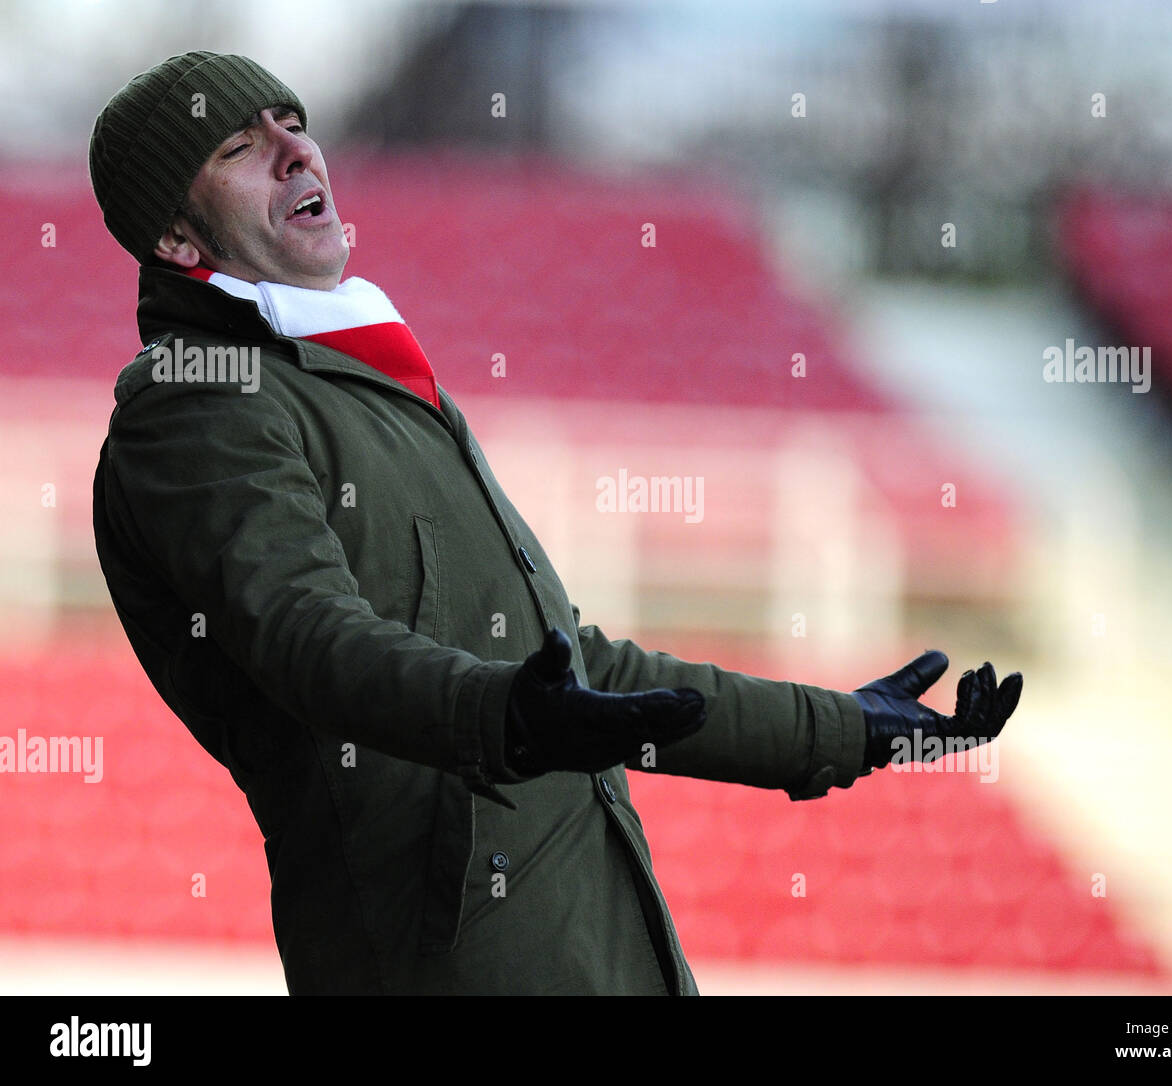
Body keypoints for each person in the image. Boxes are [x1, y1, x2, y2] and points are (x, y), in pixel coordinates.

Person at [89, 51, 1023, 996]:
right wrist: (505, 720)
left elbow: (578, 674)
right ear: (176, 237)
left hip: (602, 950)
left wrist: (837, 729)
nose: (297, 153)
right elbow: (307, 637)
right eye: (244, 147)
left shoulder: (374, 381)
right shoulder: (194, 399)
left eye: (295, 123)